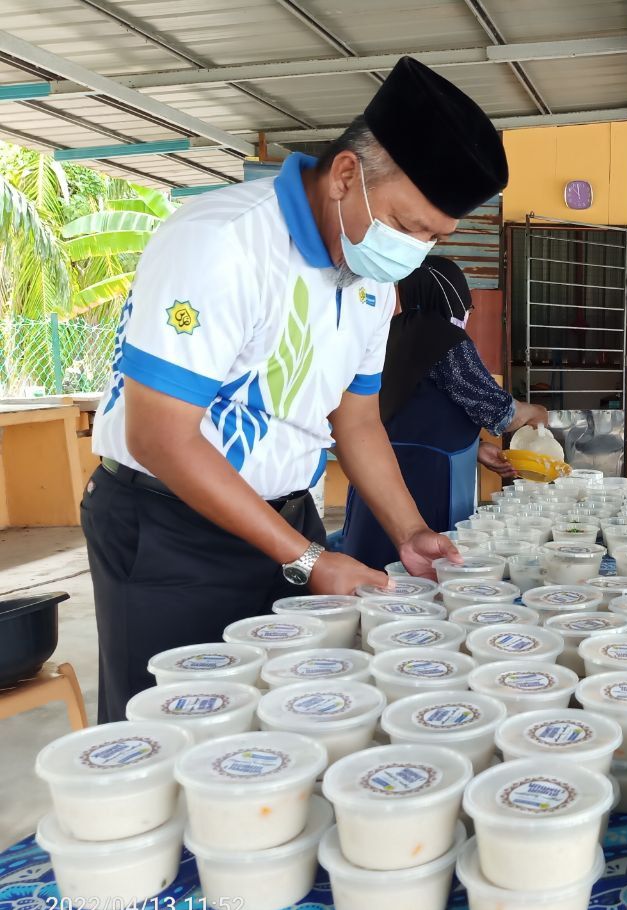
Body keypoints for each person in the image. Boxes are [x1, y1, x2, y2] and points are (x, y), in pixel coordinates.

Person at [82, 57, 507, 722]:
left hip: (286, 522)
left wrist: (411, 531)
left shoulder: (368, 280)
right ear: (346, 175)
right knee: (174, 730)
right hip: (169, 530)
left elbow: (357, 419)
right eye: (408, 223)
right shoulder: (223, 243)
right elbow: (159, 436)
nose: (414, 250)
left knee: (279, 720)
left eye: (433, 237)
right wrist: (309, 557)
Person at [341, 256, 549, 570]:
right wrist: (536, 411)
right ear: (453, 297)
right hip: (430, 481)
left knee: (373, 573)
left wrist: (476, 448)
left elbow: (405, 412)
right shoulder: (446, 340)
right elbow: (500, 414)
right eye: (467, 305)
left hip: (374, 474)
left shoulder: (384, 333)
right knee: (427, 573)